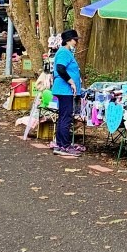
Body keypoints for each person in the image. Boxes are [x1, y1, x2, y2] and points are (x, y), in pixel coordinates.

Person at [51, 28, 82, 158]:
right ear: (68, 40)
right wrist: (71, 82)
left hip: (65, 90)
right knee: (66, 117)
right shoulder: (64, 52)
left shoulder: (66, 52)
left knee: (63, 116)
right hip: (65, 90)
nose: (76, 43)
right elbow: (60, 69)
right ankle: (64, 146)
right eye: (75, 40)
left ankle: (60, 144)